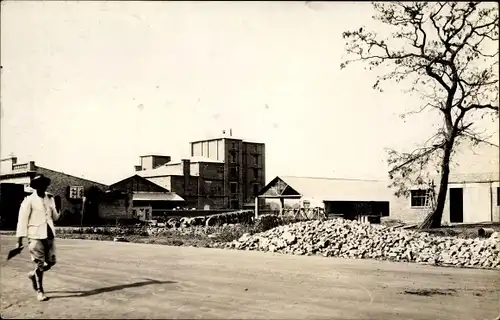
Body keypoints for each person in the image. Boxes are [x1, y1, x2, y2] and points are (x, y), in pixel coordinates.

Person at [15, 174, 62, 301]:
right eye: (40, 184)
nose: (43, 187)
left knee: (51, 262)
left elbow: (55, 217)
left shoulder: (50, 199)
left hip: (49, 235)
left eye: (45, 184)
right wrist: (19, 240)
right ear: (36, 187)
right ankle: (40, 291)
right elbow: (22, 220)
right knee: (40, 263)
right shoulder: (29, 200)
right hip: (35, 235)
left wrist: (58, 206)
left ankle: (33, 274)